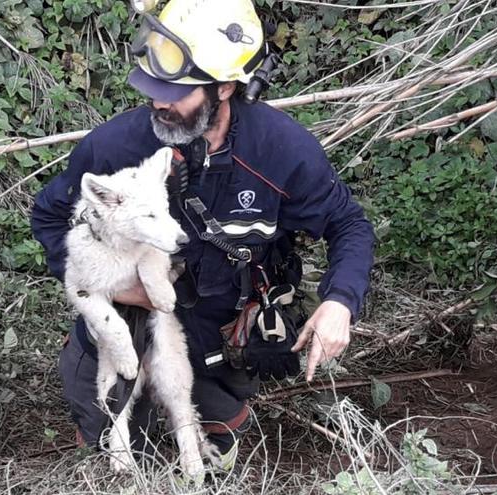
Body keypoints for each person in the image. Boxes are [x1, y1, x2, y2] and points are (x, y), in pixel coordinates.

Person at [30, 0, 374, 467]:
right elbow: (49, 219)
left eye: (177, 91)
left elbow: (347, 224)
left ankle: (216, 409)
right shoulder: (115, 147)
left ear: (225, 87)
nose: (158, 102)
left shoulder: (280, 150)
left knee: (212, 449)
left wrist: (340, 304)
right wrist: (117, 288)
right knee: (112, 438)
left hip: (218, 328)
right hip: (128, 321)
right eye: (153, 87)